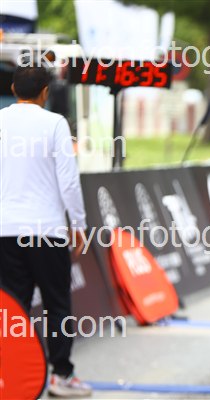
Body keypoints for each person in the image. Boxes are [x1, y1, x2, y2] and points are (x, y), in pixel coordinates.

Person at [0, 66, 92, 397]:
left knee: (13, 308)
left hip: (6, 230)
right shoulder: (54, 123)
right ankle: (62, 375)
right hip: (46, 231)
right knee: (57, 305)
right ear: (45, 92)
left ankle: (9, 375)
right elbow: (68, 180)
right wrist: (78, 224)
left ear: (13, 88)